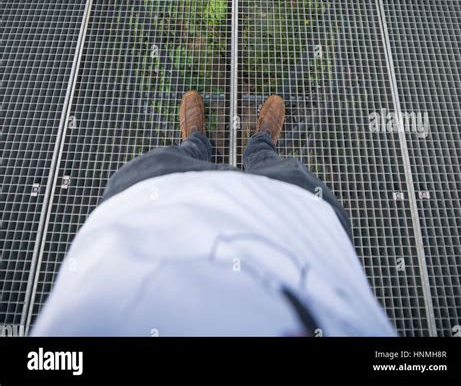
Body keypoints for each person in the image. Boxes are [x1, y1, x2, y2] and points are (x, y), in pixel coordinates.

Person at [32, 93, 396, 337]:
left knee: (174, 158)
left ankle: (195, 140)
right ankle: (262, 143)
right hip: (292, 216)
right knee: (273, 165)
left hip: (146, 206)